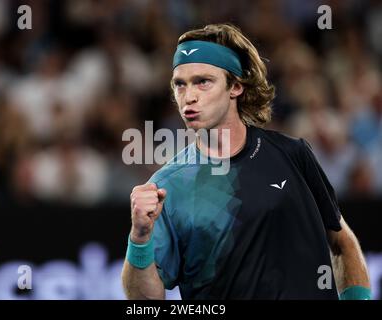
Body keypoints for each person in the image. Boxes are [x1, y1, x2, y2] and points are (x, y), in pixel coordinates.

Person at [121, 23, 371, 300]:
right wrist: (140, 237)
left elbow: (341, 241)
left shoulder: (293, 154)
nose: (188, 96)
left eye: (203, 81)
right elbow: (145, 304)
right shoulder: (165, 187)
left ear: (236, 87)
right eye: (180, 84)